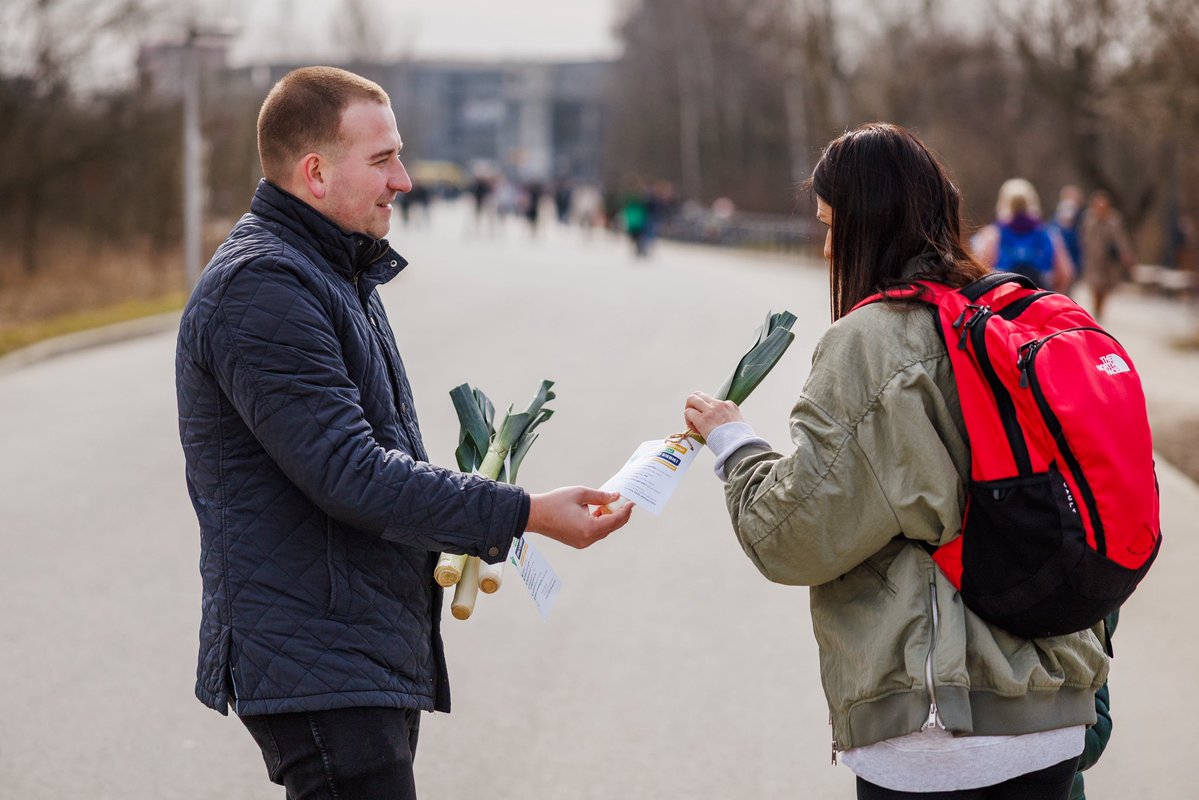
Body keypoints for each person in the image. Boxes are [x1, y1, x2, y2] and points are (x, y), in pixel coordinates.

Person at [175, 66, 633, 799]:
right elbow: (350, 471)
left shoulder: (330, 270)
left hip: (350, 650)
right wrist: (522, 513)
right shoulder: (263, 285)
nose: (406, 180)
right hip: (318, 658)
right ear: (316, 171)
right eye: (383, 159)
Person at [683, 123, 1109, 799]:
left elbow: (793, 536)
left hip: (941, 728)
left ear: (864, 227)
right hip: (1051, 710)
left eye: (831, 226)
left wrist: (735, 444)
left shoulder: (869, 342)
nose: (827, 247)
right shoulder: (1011, 316)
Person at [972, 177, 1074, 292]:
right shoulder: (1049, 234)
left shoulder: (992, 235)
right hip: (1039, 301)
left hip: (1004, 302)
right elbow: (1066, 273)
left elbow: (979, 273)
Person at [1081, 189, 1137, 322]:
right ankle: (1096, 309)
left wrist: (1126, 254)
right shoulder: (1089, 219)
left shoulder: (1114, 220)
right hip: (1093, 259)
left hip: (1108, 261)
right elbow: (1083, 237)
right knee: (1095, 285)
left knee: (1106, 286)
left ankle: (1101, 308)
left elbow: (1120, 239)